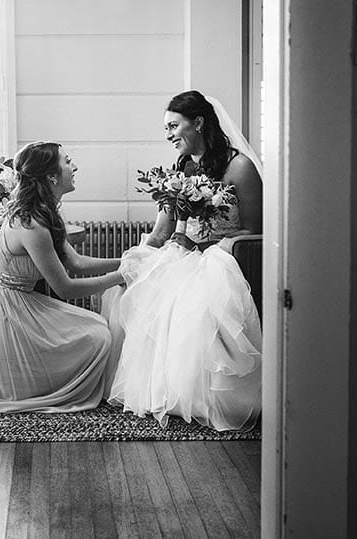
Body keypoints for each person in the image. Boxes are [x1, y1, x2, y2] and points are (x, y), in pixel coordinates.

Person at [102, 91, 264, 431]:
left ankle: (212, 397)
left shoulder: (240, 167)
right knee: (139, 282)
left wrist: (209, 245)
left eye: (174, 125)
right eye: (167, 128)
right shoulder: (181, 168)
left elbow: (252, 231)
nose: (169, 134)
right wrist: (139, 255)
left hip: (225, 257)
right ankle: (165, 392)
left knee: (193, 298)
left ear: (198, 123)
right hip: (185, 253)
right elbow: (162, 232)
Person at [0, 141, 127, 413]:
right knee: (98, 335)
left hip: (19, 298)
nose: (74, 166)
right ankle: (34, 381)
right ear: (52, 176)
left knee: (97, 325)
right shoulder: (32, 223)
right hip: (3, 308)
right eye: (67, 161)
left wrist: (126, 260)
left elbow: (76, 261)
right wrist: (119, 277)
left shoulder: (46, 210)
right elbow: (65, 288)